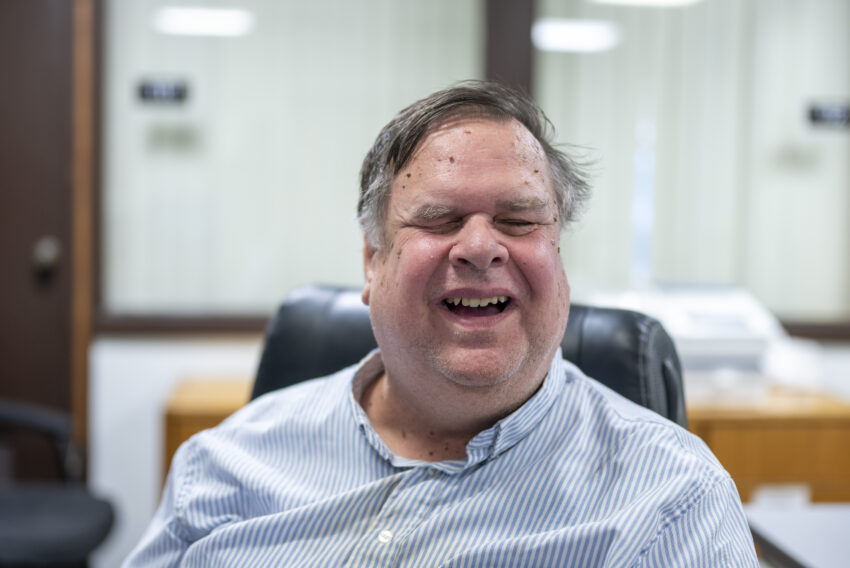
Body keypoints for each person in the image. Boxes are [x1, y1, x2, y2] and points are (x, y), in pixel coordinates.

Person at [125, 81, 758, 566]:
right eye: (438, 219)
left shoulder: (675, 503)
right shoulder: (225, 465)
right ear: (373, 262)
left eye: (519, 219)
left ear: (558, 256)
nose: (481, 247)